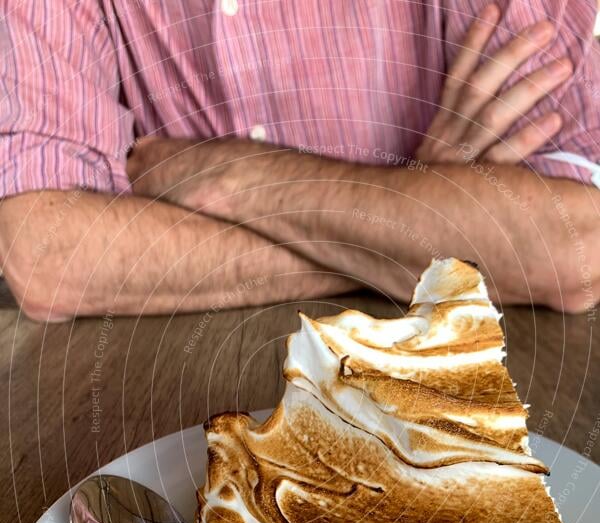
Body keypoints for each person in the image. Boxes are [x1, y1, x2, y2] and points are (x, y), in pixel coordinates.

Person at [0, 1, 597, 321]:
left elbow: (575, 246)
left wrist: (229, 179)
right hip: (167, 425)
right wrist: (413, 216)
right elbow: (47, 256)